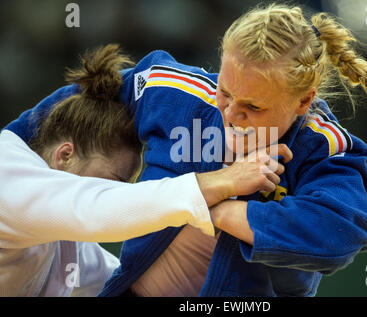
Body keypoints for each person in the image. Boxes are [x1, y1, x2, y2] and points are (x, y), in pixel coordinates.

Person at [9, 4, 367, 297]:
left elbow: (342, 231)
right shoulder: (173, 93)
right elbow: (82, 99)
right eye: (225, 92)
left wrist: (223, 213)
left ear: (303, 102)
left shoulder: (325, 150)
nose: (231, 113)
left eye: (253, 106)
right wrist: (15, 151)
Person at [0, 44, 287, 296]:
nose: (121, 191)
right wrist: (222, 181)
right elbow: (101, 207)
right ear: (65, 155)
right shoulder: (7, 174)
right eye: (113, 181)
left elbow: (106, 278)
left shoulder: (61, 234)